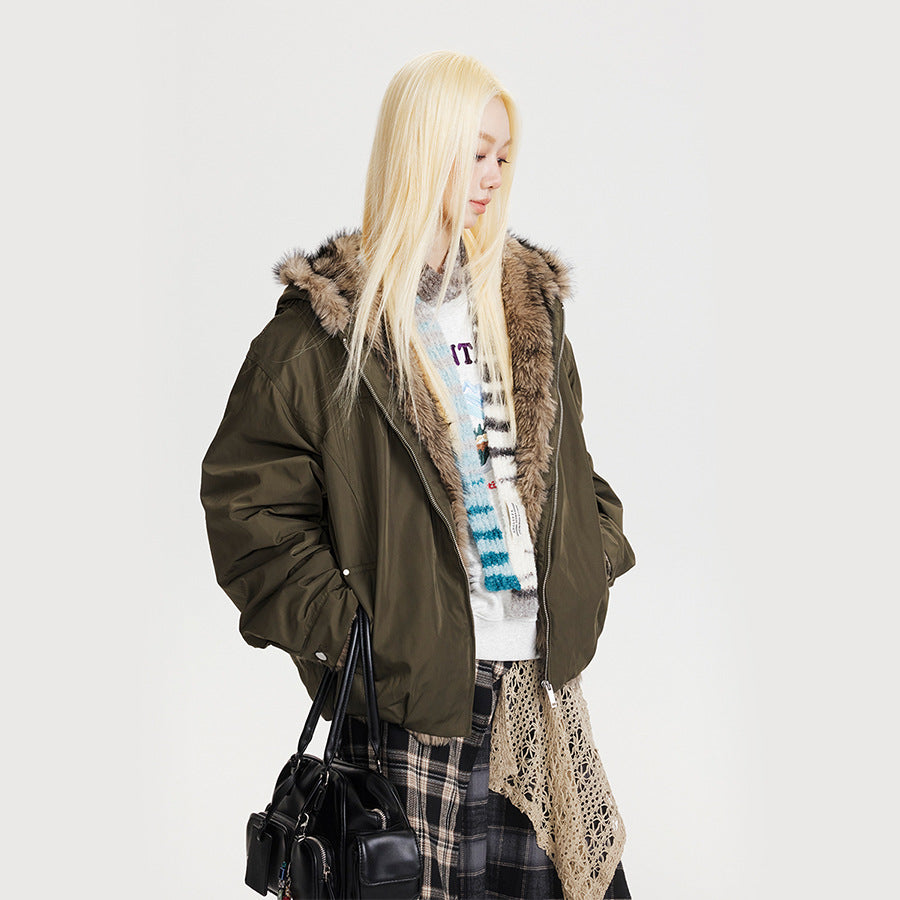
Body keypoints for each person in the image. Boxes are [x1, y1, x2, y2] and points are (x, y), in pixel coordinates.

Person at [201, 50, 636, 900]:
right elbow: (248, 515)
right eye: (475, 152)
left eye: (503, 155)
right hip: (410, 712)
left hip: (534, 696)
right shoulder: (326, 335)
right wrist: (363, 632)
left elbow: (574, 479)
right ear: (422, 149)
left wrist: (593, 558)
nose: (493, 175)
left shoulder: (524, 310)